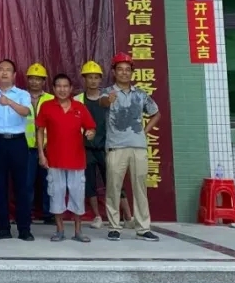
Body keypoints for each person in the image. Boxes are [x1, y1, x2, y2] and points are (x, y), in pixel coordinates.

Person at [100, 52, 160, 242]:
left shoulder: (140, 94)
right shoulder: (108, 91)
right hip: (116, 147)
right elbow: (101, 102)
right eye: (120, 70)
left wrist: (145, 131)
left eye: (128, 70)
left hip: (138, 147)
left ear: (132, 72)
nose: (124, 73)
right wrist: (107, 100)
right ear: (114, 72)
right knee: (113, 188)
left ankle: (143, 227)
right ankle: (114, 226)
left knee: (140, 188)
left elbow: (156, 113)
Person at [37, 74, 96, 243]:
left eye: (65, 86)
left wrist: (91, 134)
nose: (62, 89)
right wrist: (41, 153)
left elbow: (91, 128)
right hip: (54, 160)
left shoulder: (80, 107)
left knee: (77, 194)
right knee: (56, 193)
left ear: (71, 89)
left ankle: (78, 231)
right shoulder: (47, 107)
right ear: (54, 89)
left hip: (77, 160)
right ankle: (60, 230)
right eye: (58, 86)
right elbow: (40, 130)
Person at [0, 59, 35, 241]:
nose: (4, 73)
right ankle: (3, 228)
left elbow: (26, 112)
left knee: (22, 187)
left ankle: (24, 229)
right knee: (0, 187)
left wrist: (9, 102)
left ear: (14, 75)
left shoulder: (22, 94)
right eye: (1, 70)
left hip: (18, 143)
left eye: (8, 70)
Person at [80, 60, 134, 229]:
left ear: (101, 79)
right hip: (86, 149)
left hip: (108, 148)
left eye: (96, 77)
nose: (93, 81)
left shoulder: (109, 99)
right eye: (90, 77)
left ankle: (127, 216)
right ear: (84, 79)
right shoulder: (79, 100)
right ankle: (97, 216)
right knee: (90, 184)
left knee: (115, 181)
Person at [24, 63, 55, 224]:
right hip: (26, 147)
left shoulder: (51, 99)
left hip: (47, 148)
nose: (35, 82)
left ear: (44, 81)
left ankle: (48, 214)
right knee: (26, 183)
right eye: (32, 79)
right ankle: (25, 214)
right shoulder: (20, 97)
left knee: (48, 182)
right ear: (28, 80)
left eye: (39, 79)